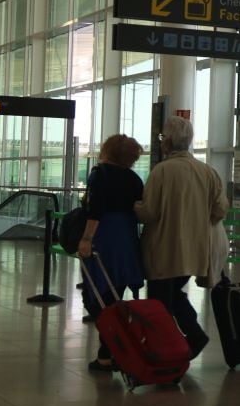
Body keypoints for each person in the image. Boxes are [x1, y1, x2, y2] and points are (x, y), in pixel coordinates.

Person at [134, 116, 227, 360]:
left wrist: (133, 207)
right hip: (194, 250)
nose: (162, 141)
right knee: (175, 295)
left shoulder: (162, 171)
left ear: (170, 141)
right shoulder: (207, 172)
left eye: (163, 137)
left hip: (164, 249)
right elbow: (220, 210)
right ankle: (193, 336)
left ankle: (164, 350)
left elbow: (149, 212)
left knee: (159, 303)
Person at [77, 134, 145, 372]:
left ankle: (111, 348)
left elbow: (95, 210)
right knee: (115, 294)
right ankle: (109, 351)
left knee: (94, 293)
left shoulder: (100, 174)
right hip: (126, 238)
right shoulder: (135, 179)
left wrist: (86, 238)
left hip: (104, 237)